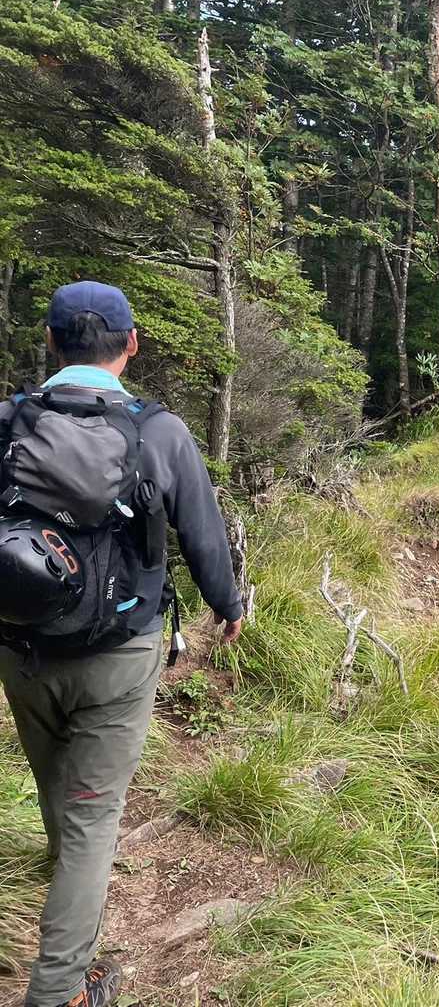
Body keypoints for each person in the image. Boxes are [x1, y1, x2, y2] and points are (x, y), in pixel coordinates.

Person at [0, 281, 244, 1007]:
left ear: (50, 341)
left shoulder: (11, 422)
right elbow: (203, 533)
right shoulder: (157, 432)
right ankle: (59, 992)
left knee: (57, 784)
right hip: (120, 652)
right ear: (131, 344)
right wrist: (227, 606)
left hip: (20, 647)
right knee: (92, 816)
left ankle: (68, 898)